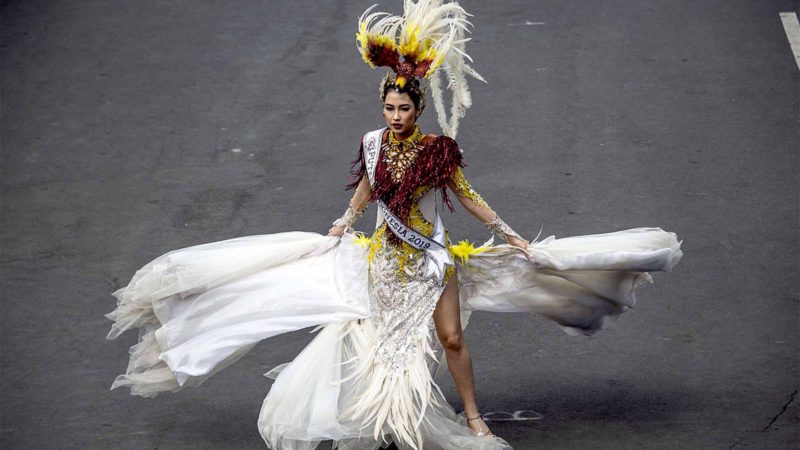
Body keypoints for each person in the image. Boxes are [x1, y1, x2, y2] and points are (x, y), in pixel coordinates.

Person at [105, 1, 682, 449]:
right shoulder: (373, 142)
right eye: (390, 108)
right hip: (385, 260)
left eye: (405, 109)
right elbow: (366, 187)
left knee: (452, 337)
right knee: (386, 345)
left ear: (419, 109)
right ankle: (384, 419)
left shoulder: (438, 151)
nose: (396, 116)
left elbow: (466, 195)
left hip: (433, 260)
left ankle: (474, 416)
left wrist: (506, 232)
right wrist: (343, 221)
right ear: (383, 107)